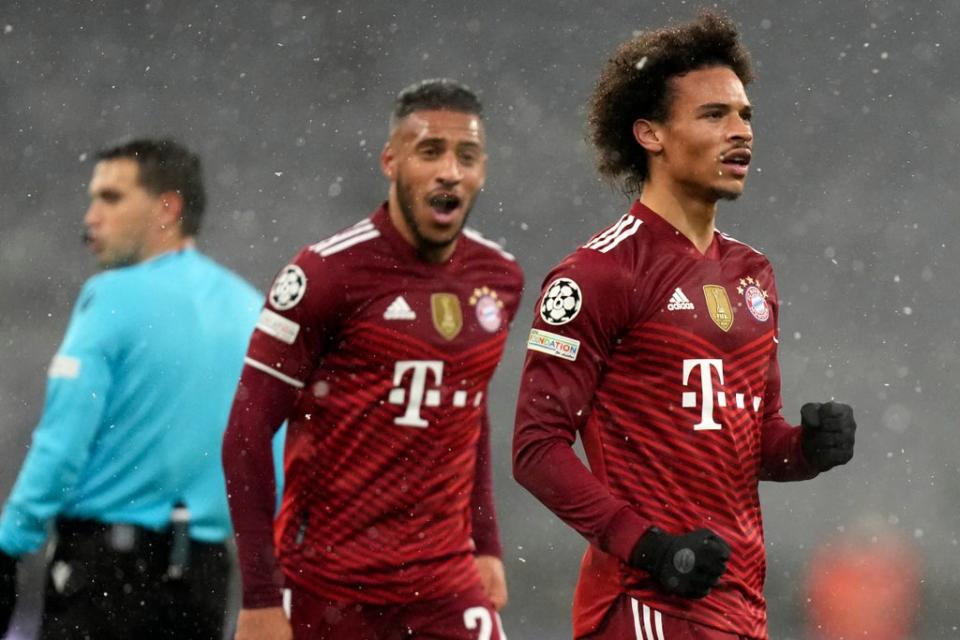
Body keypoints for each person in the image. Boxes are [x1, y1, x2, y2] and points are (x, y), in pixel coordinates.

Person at [512, 10, 857, 640]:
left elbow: (752, 444)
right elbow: (536, 450)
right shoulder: (597, 275)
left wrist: (806, 448)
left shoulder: (753, 274)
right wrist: (647, 548)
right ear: (650, 134)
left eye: (745, 115)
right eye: (714, 115)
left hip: (738, 606)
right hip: (647, 605)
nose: (740, 132)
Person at [222, 78, 523, 640]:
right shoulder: (325, 274)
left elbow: (466, 406)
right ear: (391, 160)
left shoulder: (499, 280)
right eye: (430, 151)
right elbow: (246, 432)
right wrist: (261, 598)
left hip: (443, 584)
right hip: (328, 586)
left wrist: (486, 544)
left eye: (467, 156)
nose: (450, 172)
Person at [0, 138, 265, 639]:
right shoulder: (249, 308)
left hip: (106, 574)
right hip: (204, 576)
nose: (91, 217)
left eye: (111, 197)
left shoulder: (111, 296)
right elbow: (268, 451)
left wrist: (13, 540)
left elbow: (63, 440)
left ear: (168, 207)